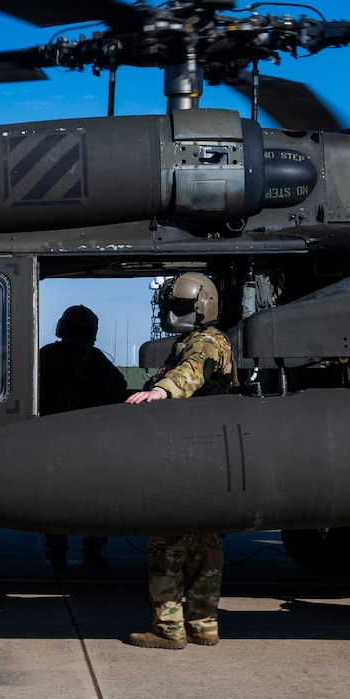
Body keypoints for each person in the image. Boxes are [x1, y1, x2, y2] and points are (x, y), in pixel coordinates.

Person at [123, 272, 238, 648]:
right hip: (214, 463)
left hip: (191, 463)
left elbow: (190, 374)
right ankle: (204, 625)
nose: (171, 313)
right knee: (207, 548)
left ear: (201, 308)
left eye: (179, 306)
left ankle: (168, 629)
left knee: (167, 546)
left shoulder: (204, 343)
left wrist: (160, 392)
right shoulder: (207, 340)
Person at [37, 303, 129, 568]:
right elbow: (118, 389)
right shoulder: (93, 359)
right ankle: (88, 550)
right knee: (95, 498)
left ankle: (60, 552)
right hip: (86, 441)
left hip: (59, 440)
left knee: (57, 500)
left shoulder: (51, 356)